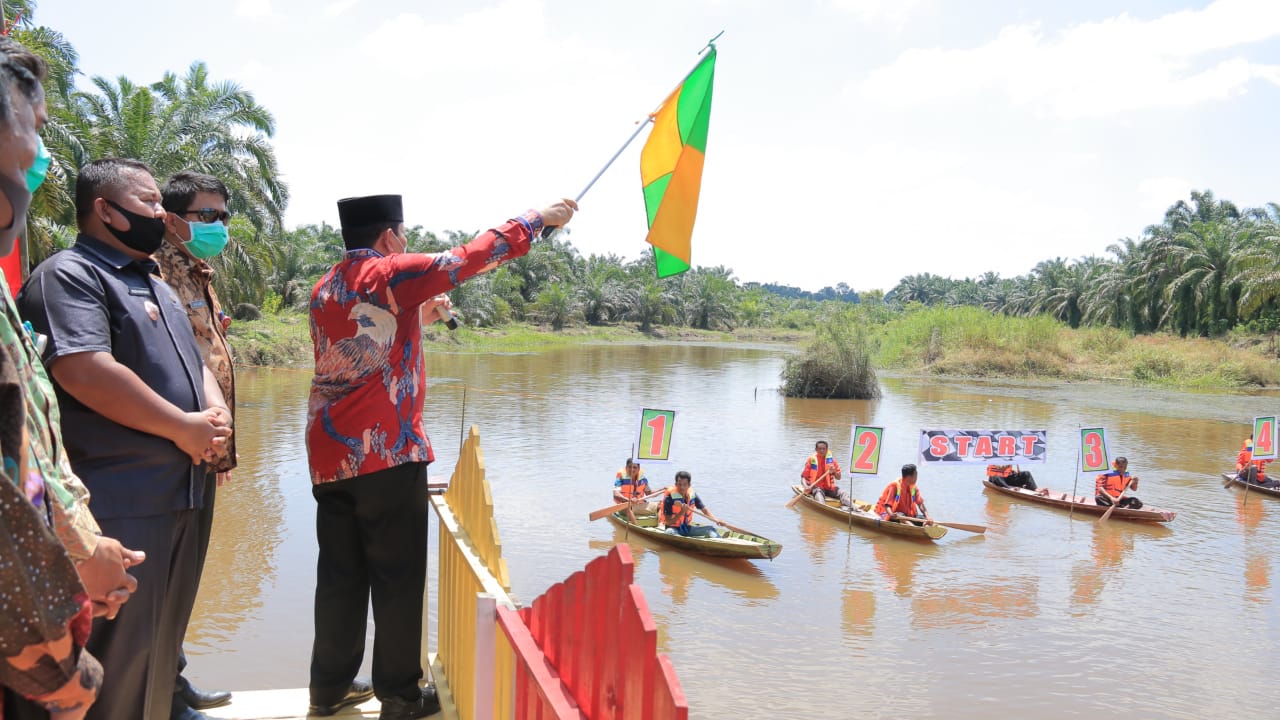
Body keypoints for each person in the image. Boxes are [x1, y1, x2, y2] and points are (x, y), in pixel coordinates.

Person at [306, 193, 575, 720]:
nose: (405, 243)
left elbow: (364, 354)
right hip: (387, 452)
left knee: (340, 576)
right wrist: (536, 221)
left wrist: (418, 316)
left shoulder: (324, 287)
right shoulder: (389, 272)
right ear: (389, 237)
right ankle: (401, 696)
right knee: (397, 578)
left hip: (329, 455)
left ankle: (328, 689)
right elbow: (466, 258)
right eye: (402, 235)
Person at [17, 157, 233, 720]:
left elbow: (193, 359)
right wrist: (181, 427)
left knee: (159, 654)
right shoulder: (71, 274)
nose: (161, 214)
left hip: (184, 493)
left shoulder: (152, 278)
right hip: (122, 501)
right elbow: (83, 369)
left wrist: (211, 410)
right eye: (147, 202)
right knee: (111, 658)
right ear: (104, 210)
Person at [0, 41, 144, 720]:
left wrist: (86, 540)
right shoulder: (67, 276)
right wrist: (61, 667)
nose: (29, 185)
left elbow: (32, 434)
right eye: (24, 163)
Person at [156, 171, 239, 718]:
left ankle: (173, 681)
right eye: (207, 215)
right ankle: (162, 693)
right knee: (163, 580)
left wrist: (221, 452)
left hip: (201, 448)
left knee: (184, 578)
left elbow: (206, 352)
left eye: (222, 217)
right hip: (172, 445)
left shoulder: (196, 272)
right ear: (172, 216)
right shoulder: (157, 270)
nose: (217, 227)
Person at [657, 470, 722, 537]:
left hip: (687, 528)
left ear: (689, 485)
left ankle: (720, 542)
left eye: (685, 484)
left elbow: (705, 510)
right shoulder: (669, 499)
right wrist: (682, 512)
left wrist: (716, 520)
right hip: (673, 529)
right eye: (679, 484)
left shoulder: (692, 495)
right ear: (676, 484)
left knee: (710, 529)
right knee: (669, 532)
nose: (682, 487)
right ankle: (682, 541)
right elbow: (668, 522)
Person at [800, 440, 850, 507]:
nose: (822, 451)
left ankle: (855, 508)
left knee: (843, 493)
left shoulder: (832, 461)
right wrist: (806, 486)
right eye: (820, 449)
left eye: (824, 449)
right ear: (816, 450)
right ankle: (824, 508)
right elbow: (803, 477)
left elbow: (839, 478)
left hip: (829, 488)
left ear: (827, 449)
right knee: (819, 494)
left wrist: (834, 471)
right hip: (817, 487)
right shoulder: (811, 460)